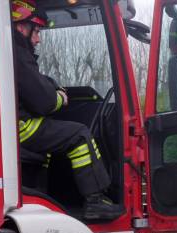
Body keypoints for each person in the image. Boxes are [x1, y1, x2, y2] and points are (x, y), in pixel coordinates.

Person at [12, 0, 122, 220]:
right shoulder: (19, 54)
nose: (38, 38)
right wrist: (60, 98)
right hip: (23, 129)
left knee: (50, 148)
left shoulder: (10, 53)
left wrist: (50, 87)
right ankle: (95, 201)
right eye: (36, 30)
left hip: (14, 131)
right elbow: (44, 101)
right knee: (79, 135)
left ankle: (45, 200)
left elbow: (35, 86)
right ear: (21, 26)